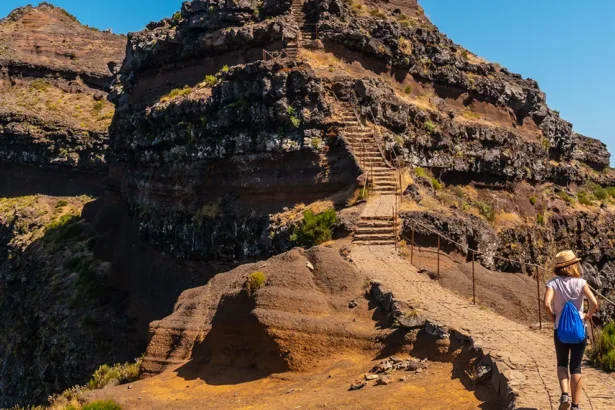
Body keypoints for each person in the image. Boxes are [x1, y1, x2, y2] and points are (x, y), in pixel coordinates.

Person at [544, 250, 598, 410]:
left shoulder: (553, 283)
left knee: (562, 364)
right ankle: (575, 406)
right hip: (579, 330)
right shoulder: (581, 283)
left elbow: (546, 303)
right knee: (576, 367)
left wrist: (554, 318)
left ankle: (564, 394)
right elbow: (594, 302)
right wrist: (587, 316)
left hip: (560, 330)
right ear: (572, 265)